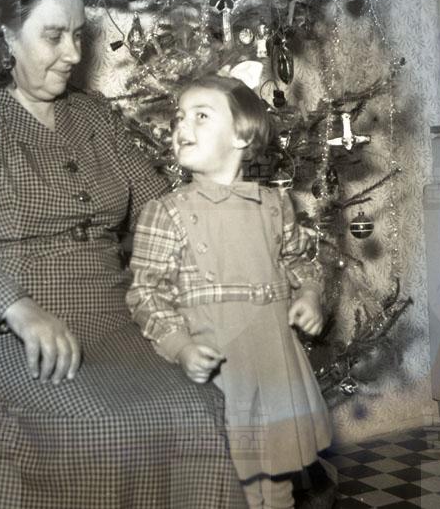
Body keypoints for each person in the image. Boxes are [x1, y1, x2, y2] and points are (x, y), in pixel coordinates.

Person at [0, 0, 246, 508]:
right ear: (4, 36)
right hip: (7, 333)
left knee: (196, 408)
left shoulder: (93, 115)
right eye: (54, 36)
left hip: (111, 319)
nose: (74, 55)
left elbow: (158, 210)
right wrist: (16, 308)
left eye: (78, 35)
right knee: (98, 427)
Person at [127, 76, 332, 509]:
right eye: (180, 117)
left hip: (273, 361)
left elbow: (301, 261)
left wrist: (310, 294)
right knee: (226, 483)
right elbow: (146, 294)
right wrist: (180, 346)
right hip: (218, 367)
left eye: (201, 116)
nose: (182, 126)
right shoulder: (166, 213)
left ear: (242, 136)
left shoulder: (275, 206)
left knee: (276, 476)